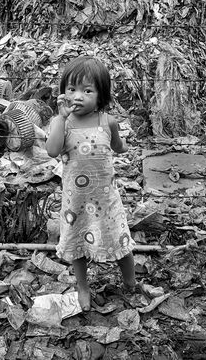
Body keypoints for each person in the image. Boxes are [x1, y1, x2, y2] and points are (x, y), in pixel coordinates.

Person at [46, 55, 136, 311]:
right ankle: (82, 286)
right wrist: (60, 120)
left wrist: (124, 144)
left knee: (120, 241)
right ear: (63, 93)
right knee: (77, 247)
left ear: (101, 95)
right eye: (71, 89)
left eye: (87, 91)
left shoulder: (107, 122)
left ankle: (130, 282)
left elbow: (118, 146)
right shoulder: (60, 124)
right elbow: (52, 151)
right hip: (76, 202)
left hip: (107, 200)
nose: (78, 96)